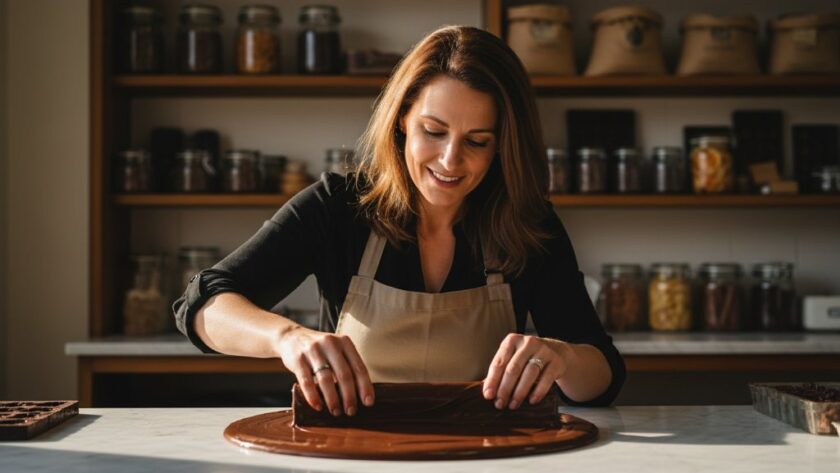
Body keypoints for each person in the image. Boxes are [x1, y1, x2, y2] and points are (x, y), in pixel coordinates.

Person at [174, 25, 625, 418]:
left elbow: (602, 377)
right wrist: (288, 338)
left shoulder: (526, 222)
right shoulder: (338, 207)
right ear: (402, 121)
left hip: (483, 457)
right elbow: (201, 306)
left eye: (478, 141)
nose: (450, 160)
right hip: (353, 453)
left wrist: (562, 357)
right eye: (433, 131)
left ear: (503, 146)